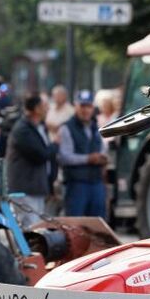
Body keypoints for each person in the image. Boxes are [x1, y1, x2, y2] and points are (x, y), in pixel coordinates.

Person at [6, 94, 57, 226]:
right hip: (26, 188)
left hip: (37, 187)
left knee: (37, 225)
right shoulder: (23, 129)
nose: (47, 109)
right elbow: (40, 154)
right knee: (29, 225)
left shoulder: (39, 127)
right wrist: (55, 145)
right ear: (37, 108)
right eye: (45, 106)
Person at [58, 90, 109, 218]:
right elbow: (64, 157)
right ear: (76, 107)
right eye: (82, 106)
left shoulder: (96, 127)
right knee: (76, 224)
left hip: (96, 182)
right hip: (76, 184)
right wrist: (88, 159)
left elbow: (102, 148)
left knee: (98, 224)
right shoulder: (66, 128)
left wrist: (102, 158)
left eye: (89, 106)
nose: (86, 110)